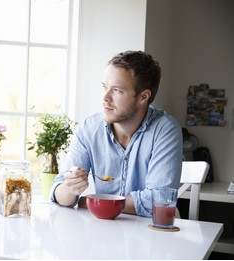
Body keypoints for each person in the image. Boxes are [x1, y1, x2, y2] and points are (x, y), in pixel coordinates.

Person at [50, 50, 183, 217]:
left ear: (143, 97)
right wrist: (70, 188)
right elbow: (58, 193)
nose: (105, 97)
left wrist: (90, 202)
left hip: (149, 235)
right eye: (104, 87)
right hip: (103, 233)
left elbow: (158, 200)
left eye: (117, 90)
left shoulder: (165, 130)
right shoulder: (89, 128)